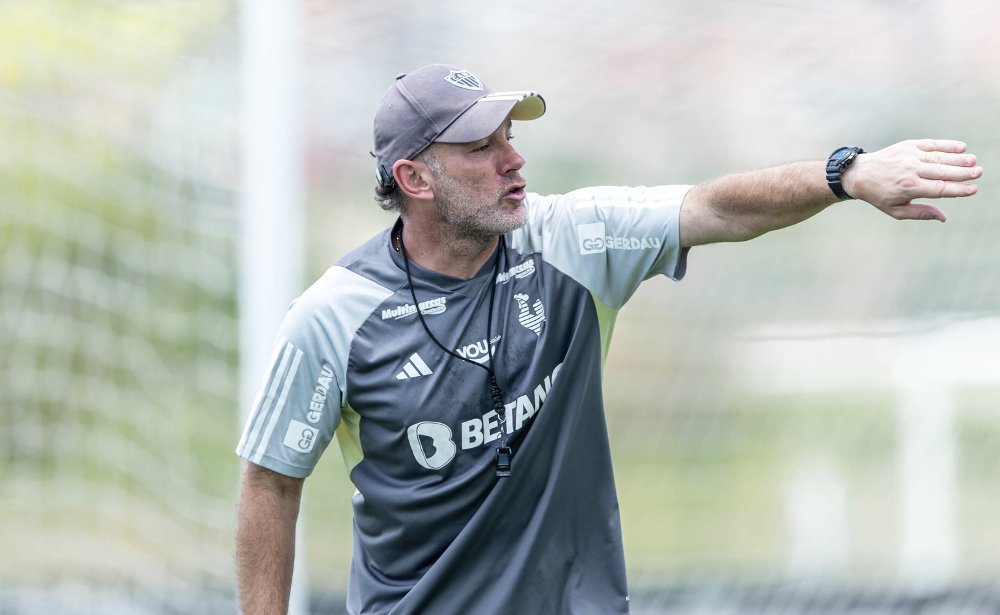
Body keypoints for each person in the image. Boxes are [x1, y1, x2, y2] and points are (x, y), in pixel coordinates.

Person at [234, 64, 983, 615]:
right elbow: (270, 479)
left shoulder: (572, 238)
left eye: (510, 136)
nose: (513, 159)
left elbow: (715, 207)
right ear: (414, 178)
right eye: (480, 148)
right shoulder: (332, 317)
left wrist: (844, 174)